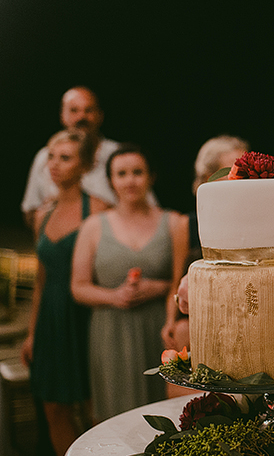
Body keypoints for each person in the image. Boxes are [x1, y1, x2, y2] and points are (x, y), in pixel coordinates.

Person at [19, 129, 110, 456]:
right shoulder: (43, 213)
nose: (55, 165)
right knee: (54, 406)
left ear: (86, 164)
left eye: (66, 158)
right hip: (52, 318)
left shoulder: (101, 209)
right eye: (52, 157)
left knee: (92, 408)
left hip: (85, 317)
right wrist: (32, 332)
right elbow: (40, 280)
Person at [71, 143, 188, 422]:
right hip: (110, 332)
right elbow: (78, 287)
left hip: (159, 327)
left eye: (137, 172)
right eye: (121, 174)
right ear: (111, 181)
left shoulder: (174, 223)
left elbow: (179, 282)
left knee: (167, 414)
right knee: (116, 412)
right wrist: (115, 296)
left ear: (151, 177)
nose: (130, 180)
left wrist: (156, 290)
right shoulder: (93, 226)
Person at [160, 134, 249, 363]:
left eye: (245, 171)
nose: (241, 178)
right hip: (197, 316)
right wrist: (170, 320)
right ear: (210, 177)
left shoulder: (251, 220)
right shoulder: (186, 225)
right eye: (232, 171)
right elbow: (176, 278)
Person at [20, 86, 157, 230]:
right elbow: (31, 209)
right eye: (74, 110)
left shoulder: (120, 156)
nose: (81, 117)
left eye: (88, 110)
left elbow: (149, 208)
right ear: (62, 115)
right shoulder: (44, 157)